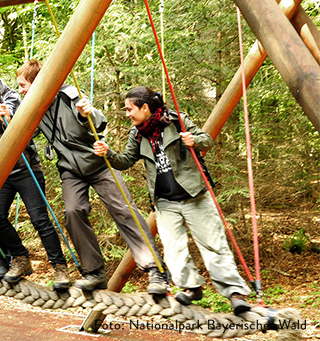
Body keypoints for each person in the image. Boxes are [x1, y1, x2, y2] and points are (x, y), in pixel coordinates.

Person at [93, 86, 251, 314]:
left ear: (145, 107)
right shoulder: (137, 134)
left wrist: (193, 140)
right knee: (174, 250)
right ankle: (191, 287)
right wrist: (107, 152)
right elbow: (125, 160)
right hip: (165, 202)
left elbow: (207, 140)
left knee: (213, 245)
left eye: (129, 109)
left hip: (194, 196)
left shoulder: (176, 121)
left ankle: (235, 292)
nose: (127, 114)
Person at [16, 60, 167, 294]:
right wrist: (7, 117)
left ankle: (155, 271)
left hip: (98, 162)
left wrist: (87, 113)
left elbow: (99, 121)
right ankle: (94, 272)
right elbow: (22, 133)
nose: (21, 90)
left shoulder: (69, 95)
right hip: (70, 169)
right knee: (73, 211)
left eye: (24, 85)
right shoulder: (33, 106)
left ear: (37, 82)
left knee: (125, 210)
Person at [0, 71, 71, 290]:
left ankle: (60, 268)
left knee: (40, 219)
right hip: (2, 172)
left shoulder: (8, 97)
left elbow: (20, 118)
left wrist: (8, 116)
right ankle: (20, 258)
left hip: (26, 168)